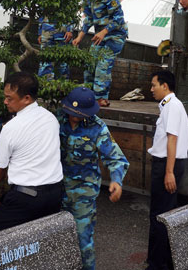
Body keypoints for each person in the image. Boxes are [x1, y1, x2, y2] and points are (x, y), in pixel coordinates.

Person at [0, 72, 63, 231]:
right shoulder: (51, 118)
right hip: (54, 195)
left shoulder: (11, 127)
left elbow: (0, 166)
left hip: (25, 198)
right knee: (41, 242)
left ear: (27, 99)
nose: (5, 101)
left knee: (2, 243)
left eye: (9, 98)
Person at [59, 87, 129, 270]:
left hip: (84, 192)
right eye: (70, 112)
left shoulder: (97, 128)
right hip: (57, 188)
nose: (73, 117)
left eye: (78, 114)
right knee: (57, 240)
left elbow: (116, 159)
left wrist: (116, 181)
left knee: (83, 240)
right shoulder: (57, 120)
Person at [146, 70, 188, 270]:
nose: (151, 89)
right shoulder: (169, 105)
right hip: (168, 163)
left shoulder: (172, 106)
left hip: (167, 164)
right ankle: (166, 261)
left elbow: (172, 139)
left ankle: (157, 265)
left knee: (160, 215)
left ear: (165, 86)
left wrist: (169, 172)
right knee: (165, 212)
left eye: (154, 85)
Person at [72, 0, 128, 107]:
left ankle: (101, 98)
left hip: (115, 35)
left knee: (103, 64)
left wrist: (104, 32)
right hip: (100, 35)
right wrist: (80, 36)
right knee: (90, 62)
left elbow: (119, 18)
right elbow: (89, 18)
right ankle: (88, 95)